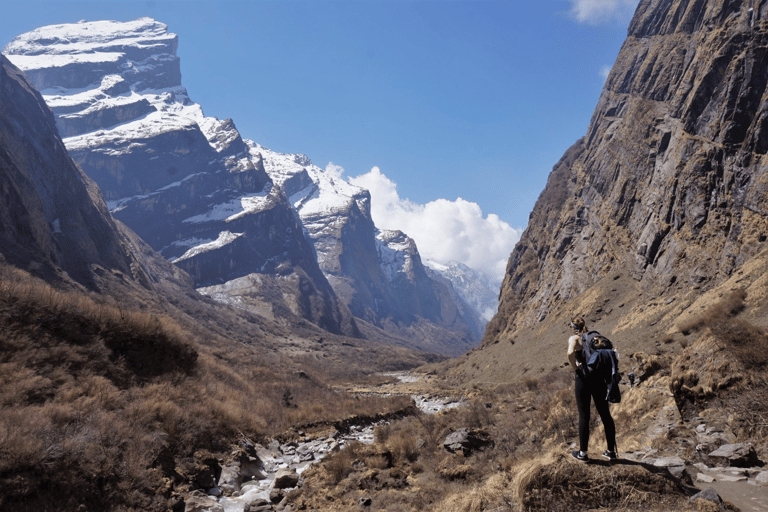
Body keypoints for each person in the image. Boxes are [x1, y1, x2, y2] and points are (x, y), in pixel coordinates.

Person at [567, 316, 617, 462]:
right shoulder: (595, 337)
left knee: (584, 415)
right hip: (599, 379)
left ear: (573, 328)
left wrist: (576, 369)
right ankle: (610, 452)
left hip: (583, 379)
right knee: (605, 414)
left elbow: (570, 354)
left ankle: (583, 454)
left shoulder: (574, 339)